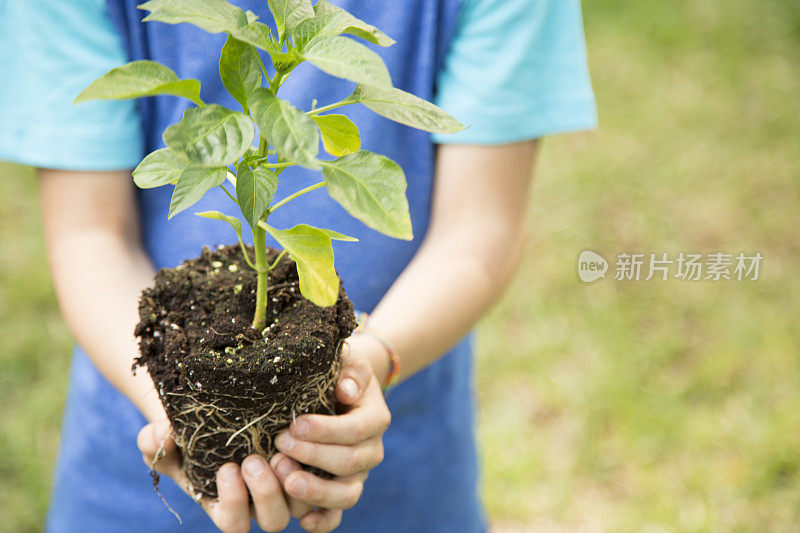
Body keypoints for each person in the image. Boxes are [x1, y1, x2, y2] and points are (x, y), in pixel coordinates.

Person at [0, 0, 596, 531]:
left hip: (401, 440)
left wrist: (370, 360)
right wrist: (178, 407)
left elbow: (480, 230)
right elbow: (88, 234)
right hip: (135, 457)